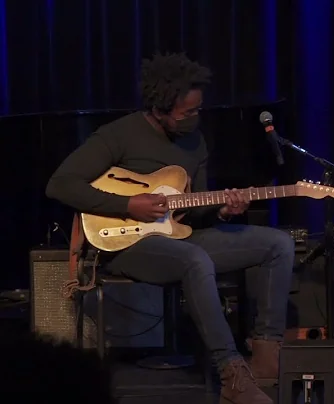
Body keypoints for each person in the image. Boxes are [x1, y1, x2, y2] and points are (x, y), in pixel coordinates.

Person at [45, 52, 294, 404]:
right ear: (160, 109)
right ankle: (231, 374)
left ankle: (267, 360)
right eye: (187, 112)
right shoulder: (119, 135)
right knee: (194, 260)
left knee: (278, 244)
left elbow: (195, 216)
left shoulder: (195, 140)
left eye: (198, 110)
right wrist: (129, 204)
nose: (195, 118)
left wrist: (223, 211)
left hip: (177, 237)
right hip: (125, 245)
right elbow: (61, 184)